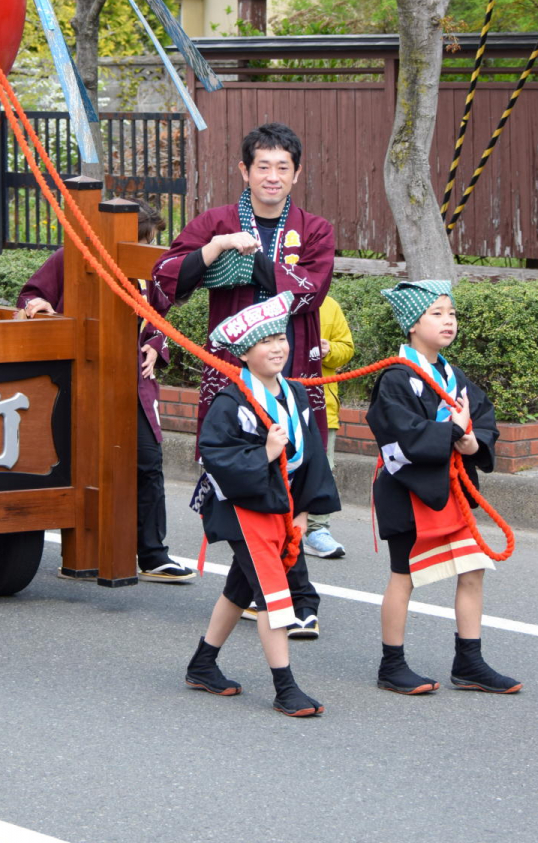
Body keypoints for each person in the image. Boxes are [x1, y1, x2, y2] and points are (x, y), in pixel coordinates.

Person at [153, 122, 335, 637]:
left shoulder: (315, 229)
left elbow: (309, 291)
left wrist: (249, 259)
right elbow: (165, 275)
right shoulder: (214, 221)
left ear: (296, 173)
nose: (272, 176)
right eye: (263, 166)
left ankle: (279, 593)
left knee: (290, 470)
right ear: (244, 171)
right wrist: (214, 252)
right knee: (237, 474)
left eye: (283, 167)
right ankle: (288, 593)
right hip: (231, 378)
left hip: (291, 371)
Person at [17, 202, 194, 582]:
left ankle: (152, 553)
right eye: (145, 240)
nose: (150, 248)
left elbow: (158, 317)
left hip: (132, 381)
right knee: (77, 464)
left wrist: (154, 344)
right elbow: (30, 295)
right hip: (77, 379)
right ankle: (84, 549)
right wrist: (40, 309)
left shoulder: (149, 272)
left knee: (147, 462)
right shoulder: (71, 258)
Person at [184, 292, 339, 717]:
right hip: (242, 507)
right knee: (275, 596)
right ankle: (285, 687)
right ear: (244, 353)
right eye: (264, 341)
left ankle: (202, 664)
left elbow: (313, 457)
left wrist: (305, 511)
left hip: (283, 506)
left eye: (280, 337)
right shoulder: (231, 401)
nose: (277, 347)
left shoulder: (297, 394)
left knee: (239, 588)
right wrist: (267, 454)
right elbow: (215, 455)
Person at [367, 279, 521, 696]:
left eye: (451, 313)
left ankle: (469, 661)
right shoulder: (397, 377)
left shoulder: (452, 374)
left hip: (449, 491)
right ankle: (391, 664)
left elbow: (482, 416)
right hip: (408, 490)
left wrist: (473, 441)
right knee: (405, 576)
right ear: (412, 324)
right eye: (436, 313)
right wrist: (449, 431)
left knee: (473, 569)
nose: (448, 321)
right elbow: (396, 432)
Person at [304, 294, 353, 559]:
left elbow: (347, 348)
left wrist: (330, 350)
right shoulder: (273, 299)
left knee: (324, 469)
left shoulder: (330, 304)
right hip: (278, 400)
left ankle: (317, 530)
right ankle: (274, 526)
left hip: (323, 406)